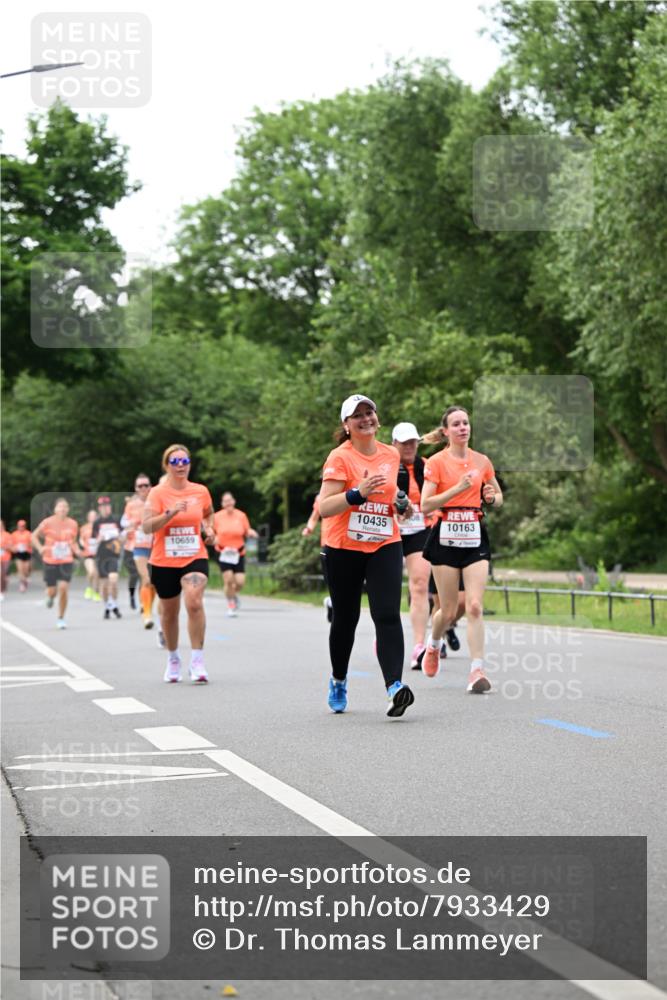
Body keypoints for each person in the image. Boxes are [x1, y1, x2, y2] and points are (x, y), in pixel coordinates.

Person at [319, 394, 415, 718]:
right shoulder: (339, 458)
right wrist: (356, 493)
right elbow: (325, 507)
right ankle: (338, 679)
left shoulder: (391, 455)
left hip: (385, 542)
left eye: (369, 412)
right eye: (357, 415)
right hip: (343, 546)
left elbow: (396, 502)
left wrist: (403, 506)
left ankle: (395, 687)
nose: (365, 419)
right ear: (346, 426)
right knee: (346, 619)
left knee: (387, 614)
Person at [420, 405, 503, 692]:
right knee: (447, 609)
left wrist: (491, 498)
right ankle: (433, 645)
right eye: (456, 424)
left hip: (474, 534)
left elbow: (498, 495)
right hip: (444, 535)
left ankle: (476, 671)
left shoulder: (482, 461)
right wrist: (457, 488)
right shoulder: (436, 462)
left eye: (465, 423)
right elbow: (426, 504)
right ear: (446, 432)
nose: (462, 428)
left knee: (475, 606)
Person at [143, 444, 216, 683]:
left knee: (194, 601)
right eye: (175, 462)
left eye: (184, 461)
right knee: (169, 613)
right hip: (164, 559)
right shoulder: (157, 493)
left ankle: (197, 660)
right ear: (167, 466)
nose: (180, 466)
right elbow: (147, 526)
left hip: (194, 555)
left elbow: (208, 513)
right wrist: (170, 513)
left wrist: (209, 528)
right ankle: (173, 658)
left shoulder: (200, 491)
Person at [391, 421, 437, 670]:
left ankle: (419, 646)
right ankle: (385, 631)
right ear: (394, 444)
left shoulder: (427, 466)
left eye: (413, 442)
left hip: (420, 529)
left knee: (420, 584)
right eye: (404, 442)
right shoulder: (386, 465)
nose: (409, 447)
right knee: (388, 588)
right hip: (390, 530)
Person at [32, 498, 82, 628]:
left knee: (64, 588)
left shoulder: (73, 524)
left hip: (66, 560)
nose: (63, 509)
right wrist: (40, 548)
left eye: (65, 507)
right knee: (52, 591)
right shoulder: (47, 522)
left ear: (68, 509)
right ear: (55, 509)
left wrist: (77, 551)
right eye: (60, 507)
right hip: (50, 560)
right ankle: (50, 597)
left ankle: (61, 618)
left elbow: (73, 541)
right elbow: (33, 536)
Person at [212, 492, 258, 617]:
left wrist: (251, 532)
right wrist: (213, 538)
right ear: (222, 504)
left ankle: (232, 594)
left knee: (239, 582)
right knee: (228, 580)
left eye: (230, 500)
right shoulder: (217, 517)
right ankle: (231, 604)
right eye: (225, 501)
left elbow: (246, 529)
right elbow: (211, 532)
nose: (228, 503)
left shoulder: (241, 515)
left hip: (238, 552)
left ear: (234, 501)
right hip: (223, 552)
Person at [123, 475, 157, 630]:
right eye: (140, 486)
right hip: (139, 546)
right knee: (146, 577)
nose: (143, 488)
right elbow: (123, 522)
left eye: (146, 485)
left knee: (154, 582)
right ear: (136, 489)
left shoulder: (156, 501)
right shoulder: (131, 505)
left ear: (150, 486)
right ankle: (147, 614)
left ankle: (147, 604)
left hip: (156, 546)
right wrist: (130, 524)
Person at [92, 496, 125, 620]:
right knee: (104, 584)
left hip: (113, 555)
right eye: (102, 506)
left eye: (107, 506)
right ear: (99, 508)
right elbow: (91, 541)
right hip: (101, 555)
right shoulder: (96, 523)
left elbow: (124, 537)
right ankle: (108, 606)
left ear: (110, 507)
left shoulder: (116, 520)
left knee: (113, 579)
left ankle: (113, 603)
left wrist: (117, 537)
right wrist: (98, 539)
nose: (105, 508)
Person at [302, 494, 332, 622]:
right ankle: (333, 602)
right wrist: (309, 528)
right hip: (328, 544)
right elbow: (314, 517)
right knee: (334, 579)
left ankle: (331, 602)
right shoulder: (321, 497)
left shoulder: (354, 491)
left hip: (349, 543)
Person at [121, 500, 140, 611]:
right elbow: (122, 537)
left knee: (144, 577)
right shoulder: (127, 518)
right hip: (129, 550)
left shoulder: (147, 516)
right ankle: (132, 596)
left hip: (144, 549)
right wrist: (128, 530)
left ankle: (143, 601)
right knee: (134, 575)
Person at [79, 510, 101, 601]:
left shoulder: (100, 527)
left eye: (94, 516)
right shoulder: (84, 528)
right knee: (91, 572)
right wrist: (83, 544)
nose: (93, 518)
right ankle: (89, 588)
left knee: (97, 574)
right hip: (88, 554)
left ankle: (96, 592)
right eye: (91, 516)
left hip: (99, 553)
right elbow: (80, 539)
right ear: (88, 518)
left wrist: (98, 542)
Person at [11, 519, 33, 593]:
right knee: (20, 569)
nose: (21, 527)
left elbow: (32, 543)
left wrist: (27, 545)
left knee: (26, 570)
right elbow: (11, 544)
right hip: (18, 553)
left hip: (26, 553)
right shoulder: (14, 534)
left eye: (23, 526)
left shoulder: (28, 533)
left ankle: (25, 579)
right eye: (20, 526)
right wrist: (14, 548)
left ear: (25, 526)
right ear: (18, 526)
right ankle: (22, 584)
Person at [0, 521, 12, 600]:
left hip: (6, 557)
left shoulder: (7, 535)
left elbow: (11, 547)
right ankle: (0, 592)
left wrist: (4, 547)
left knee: (3, 575)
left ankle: (3, 589)